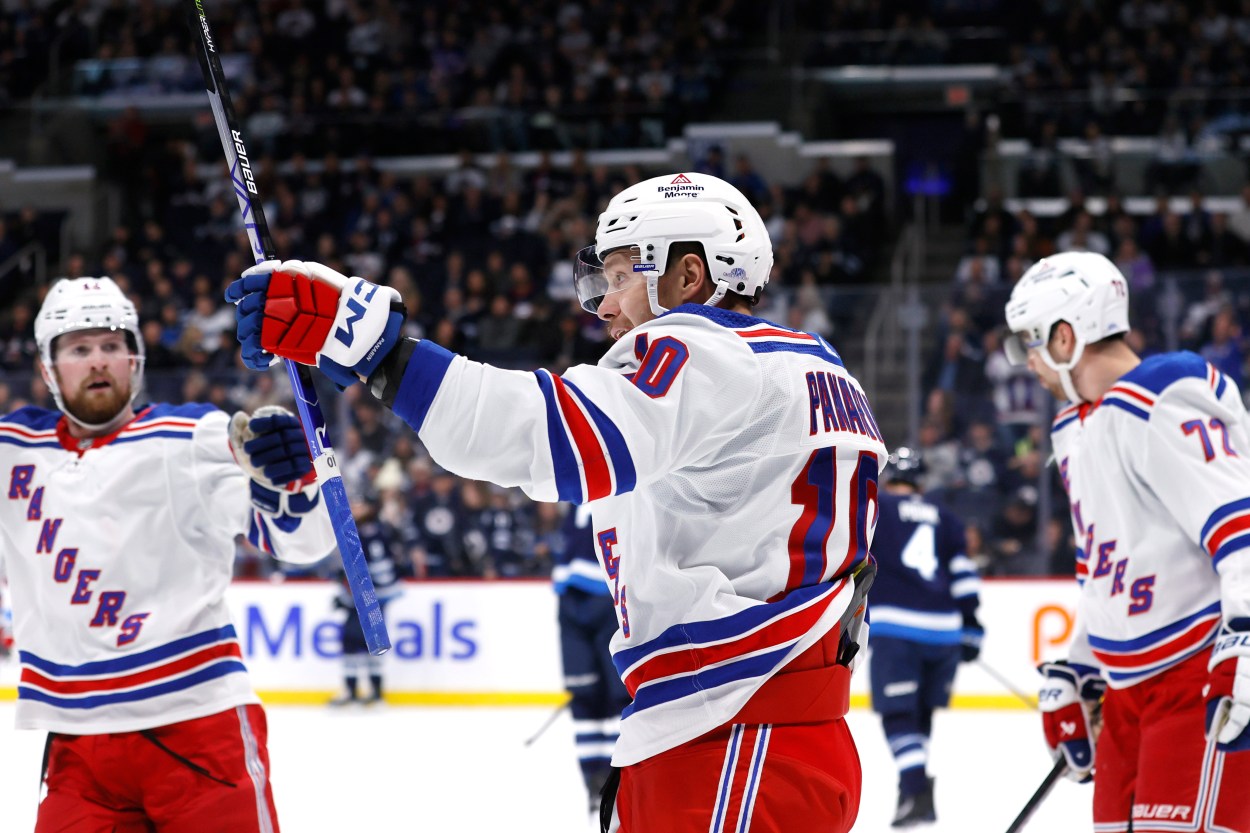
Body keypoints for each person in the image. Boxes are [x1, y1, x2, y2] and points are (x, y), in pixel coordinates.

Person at [226, 172, 888, 833]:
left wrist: (383, 354)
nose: (604, 307)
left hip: (734, 737)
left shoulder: (707, 351)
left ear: (690, 276)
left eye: (624, 274)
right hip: (769, 731)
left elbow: (556, 439)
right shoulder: (819, 366)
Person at [0, 277, 337, 832]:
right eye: (78, 349)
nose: (98, 361)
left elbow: (304, 543)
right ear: (47, 369)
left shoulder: (190, 439)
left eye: (112, 345)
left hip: (199, 734)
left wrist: (294, 480)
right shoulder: (15, 451)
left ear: (135, 359)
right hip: (78, 751)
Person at [1003, 251, 1250, 832]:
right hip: (1126, 694)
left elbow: (1239, 527)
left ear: (1066, 338)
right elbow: (1108, 569)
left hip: (1196, 676)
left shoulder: (1159, 399)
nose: (1027, 362)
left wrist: (1246, 639)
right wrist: (1080, 665)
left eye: (1030, 342)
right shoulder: (1079, 427)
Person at [867, 447, 983, 827]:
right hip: (945, 632)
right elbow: (964, 575)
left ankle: (915, 790)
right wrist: (971, 626)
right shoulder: (946, 517)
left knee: (897, 713)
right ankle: (912, 794)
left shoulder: (876, 509)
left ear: (889, 479)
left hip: (897, 629)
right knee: (921, 712)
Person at [554, 503, 632, 818]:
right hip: (575, 598)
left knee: (615, 698)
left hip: (604, 598)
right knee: (587, 697)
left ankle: (613, 781)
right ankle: (595, 783)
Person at [329, 495, 400, 706]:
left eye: (360, 504)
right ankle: (370, 693)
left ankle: (362, 693)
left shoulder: (368, 534)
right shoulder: (371, 531)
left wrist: (350, 599)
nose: (355, 508)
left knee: (355, 642)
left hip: (368, 600)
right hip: (371, 598)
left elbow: (367, 572)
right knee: (363, 642)